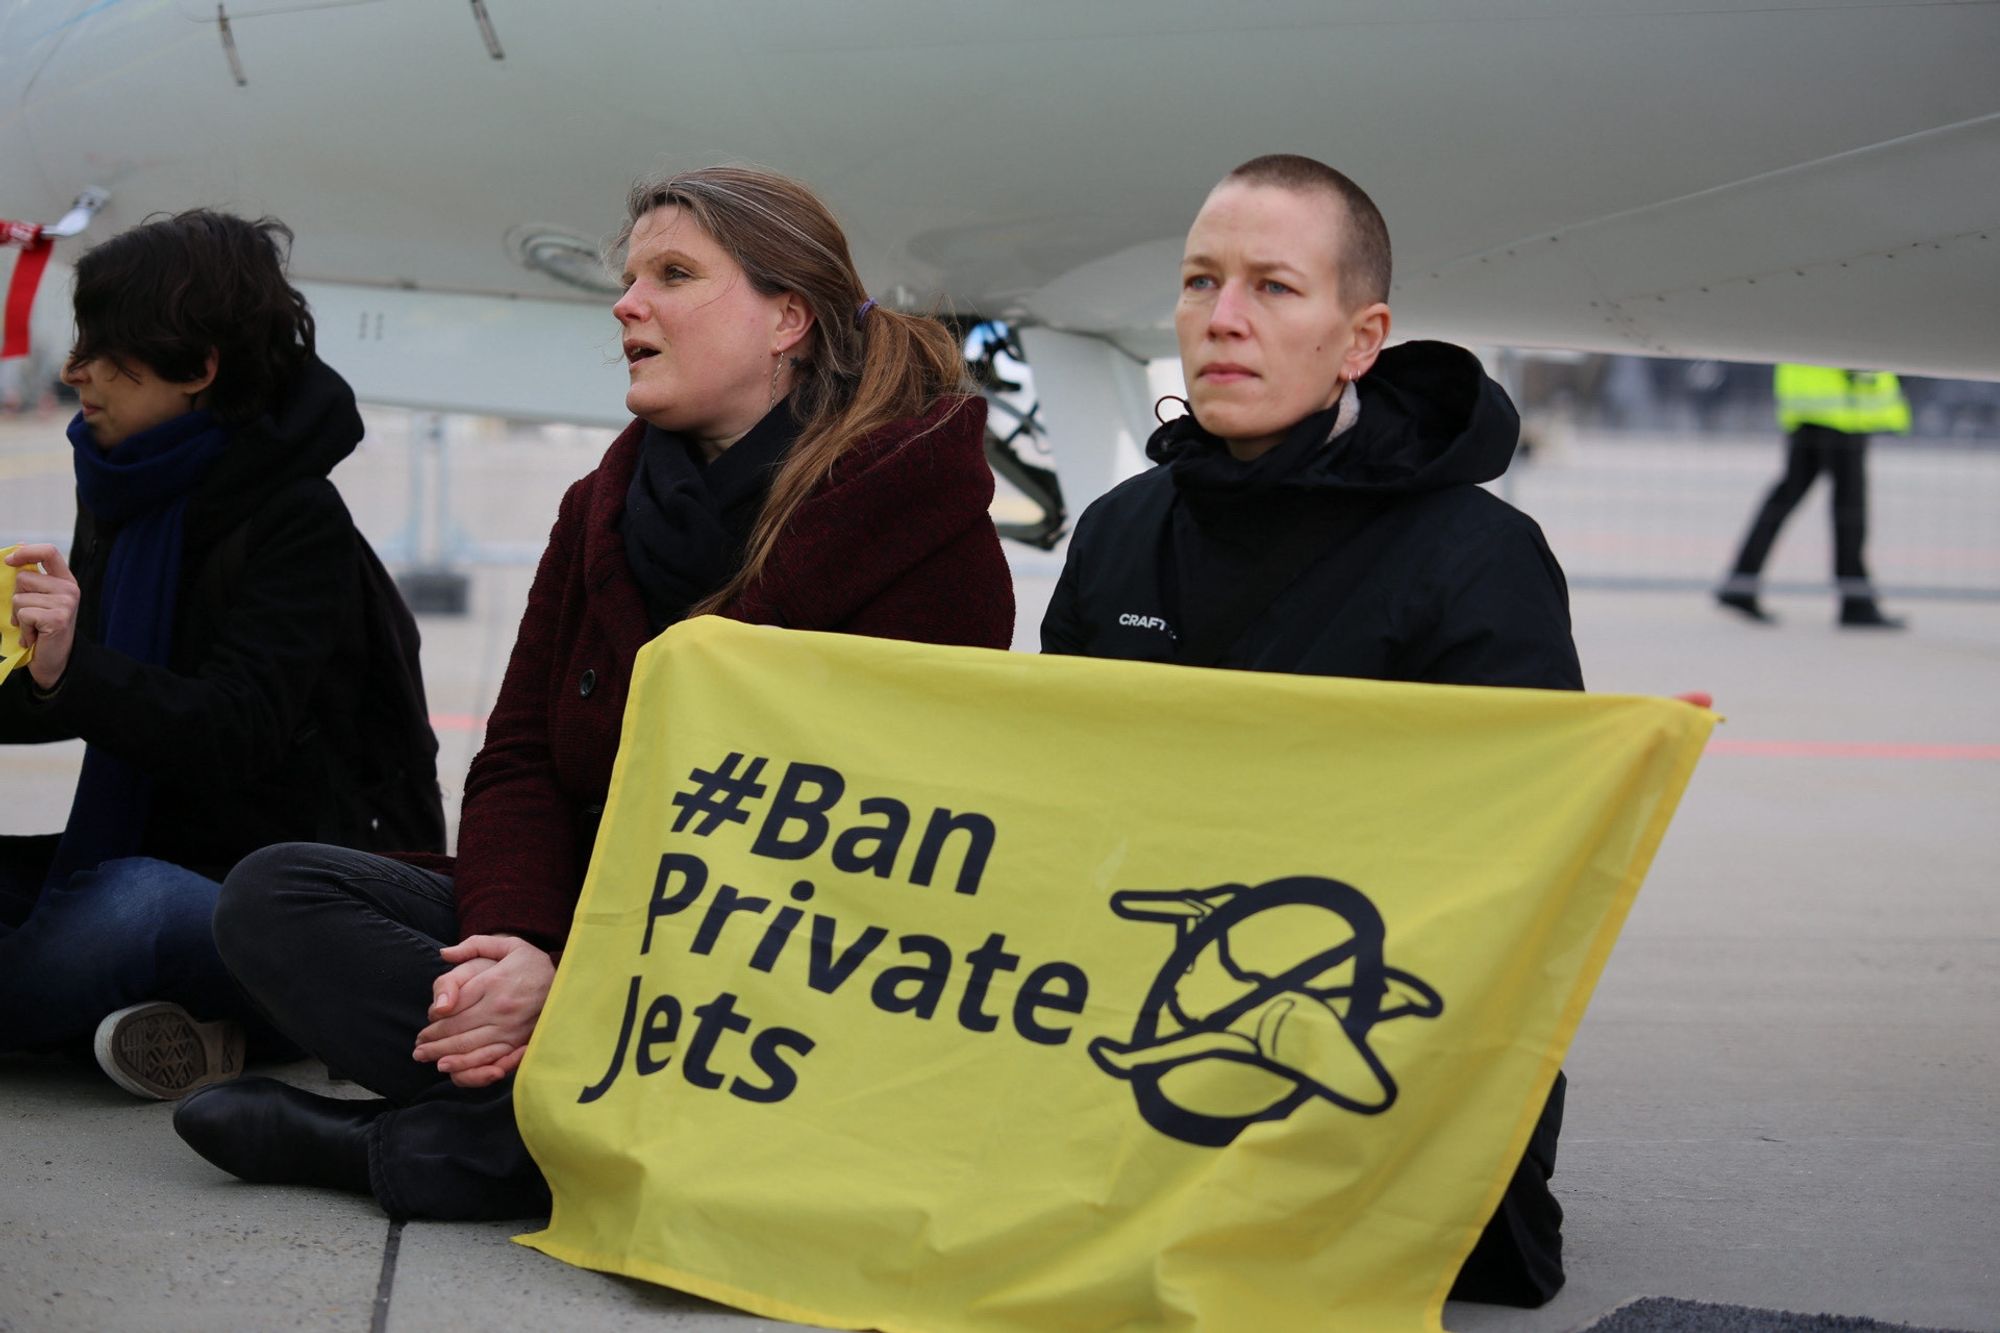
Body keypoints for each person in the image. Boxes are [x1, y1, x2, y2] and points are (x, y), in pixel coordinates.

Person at [171, 165, 1015, 1222]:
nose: (626, 303)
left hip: (790, 970)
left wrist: (582, 965)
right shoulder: (601, 507)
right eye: (628, 278)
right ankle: (567, 1124)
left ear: (785, 318)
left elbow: (891, 853)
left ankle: (452, 1148)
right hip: (584, 927)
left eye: (672, 274)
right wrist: (527, 941)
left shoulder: (918, 523)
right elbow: (520, 756)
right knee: (274, 896)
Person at [1042, 154, 1581, 1307]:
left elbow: (1516, 878)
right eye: (1198, 283)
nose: (1221, 320)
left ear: (1359, 336)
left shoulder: (1474, 559)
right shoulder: (1118, 534)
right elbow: (1062, 817)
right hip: (1140, 1018)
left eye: (1273, 288)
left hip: (1378, 1045)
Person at [0, 210, 438, 1099]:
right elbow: (85, 696)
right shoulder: (128, 481)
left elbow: (235, 731)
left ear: (199, 368)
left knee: (127, 908)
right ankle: (217, 1033)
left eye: (106, 349)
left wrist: (72, 668)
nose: (75, 370)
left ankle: (259, 1015)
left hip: (280, 895)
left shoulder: (295, 517)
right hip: (152, 848)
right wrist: (38, 667)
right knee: (101, 895)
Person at [1716, 364, 1909, 628]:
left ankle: (1741, 581)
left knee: (1787, 498)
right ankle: (1855, 600)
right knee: (1849, 510)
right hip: (1841, 412)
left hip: (1816, 408)